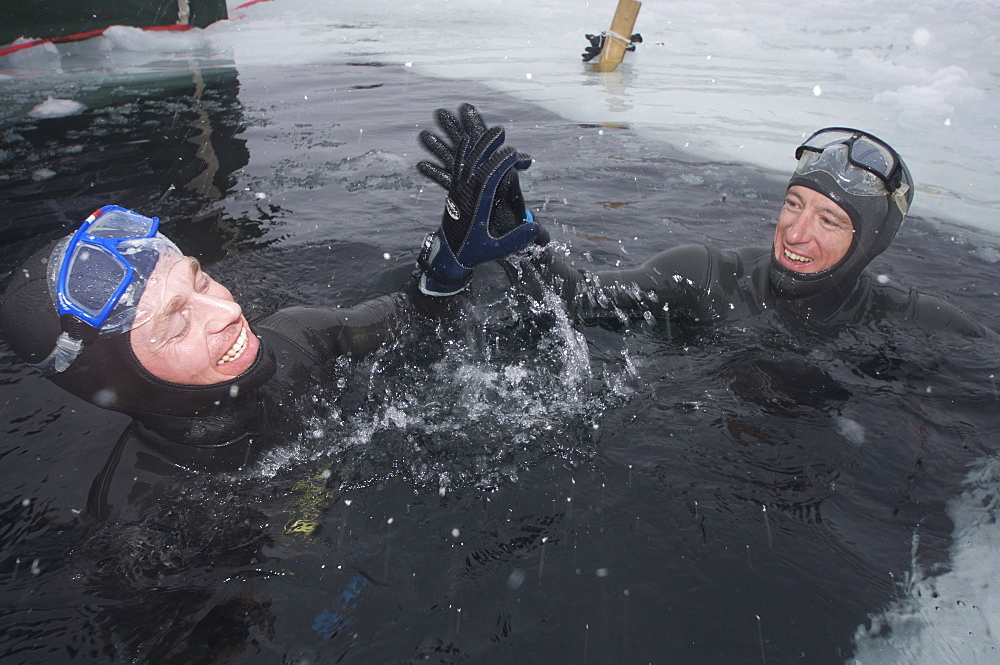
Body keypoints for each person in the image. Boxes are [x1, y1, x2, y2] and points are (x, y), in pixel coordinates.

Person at [0, 107, 543, 485]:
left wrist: (453, 255)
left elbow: (418, 316)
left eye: (202, 281)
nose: (228, 311)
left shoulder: (296, 339)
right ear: (116, 382)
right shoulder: (145, 522)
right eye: (177, 324)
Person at [418, 107, 991, 337]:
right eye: (793, 205)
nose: (795, 233)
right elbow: (581, 300)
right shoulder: (709, 275)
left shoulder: (912, 325)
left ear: (870, 245)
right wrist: (521, 238)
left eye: (830, 221)